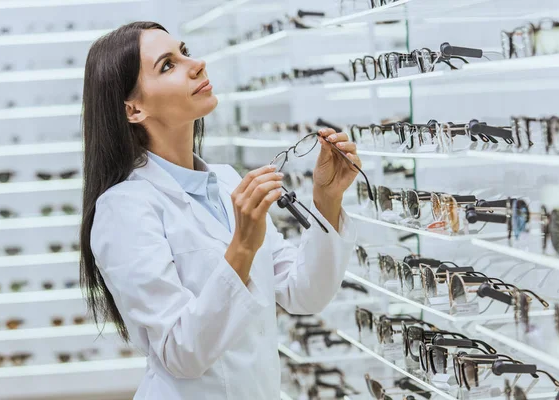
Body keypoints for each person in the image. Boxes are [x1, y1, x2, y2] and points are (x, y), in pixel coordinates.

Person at [79, 21, 361, 399]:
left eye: (185, 51)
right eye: (167, 65)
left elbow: (302, 293)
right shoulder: (123, 210)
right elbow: (181, 353)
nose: (196, 64)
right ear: (133, 109)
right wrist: (241, 247)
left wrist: (327, 201)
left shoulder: (227, 181)